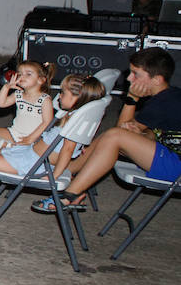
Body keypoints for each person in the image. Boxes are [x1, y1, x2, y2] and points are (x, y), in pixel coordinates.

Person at [32, 47, 181, 213]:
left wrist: (131, 99)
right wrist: (143, 134)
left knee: (113, 137)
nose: (129, 78)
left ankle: (71, 194)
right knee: (108, 138)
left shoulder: (163, 102)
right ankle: (67, 170)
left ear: (157, 80)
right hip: (170, 156)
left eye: (136, 74)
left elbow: (121, 131)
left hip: (176, 168)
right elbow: (157, 132)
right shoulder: (169, 96)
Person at [0, 73, 106, 185]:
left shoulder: (73, 124)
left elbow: (67, 150)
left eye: (64, 93)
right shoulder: (75, 116)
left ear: (77, 97)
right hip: (30, 154)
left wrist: (55, 175)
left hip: (33, 163)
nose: (60, 96)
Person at [0, 61, 55, 158]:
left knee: (1, 146)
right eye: (20, 74)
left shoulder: (45, 100)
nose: (22, 77)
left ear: (41, 80)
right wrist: (6, 87)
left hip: (35, 137)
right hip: (15, 133)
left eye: (28, 74)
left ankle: (8, 146)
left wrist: (31, 138)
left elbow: (47, 122)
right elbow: (1, 103)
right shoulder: (18, 94)